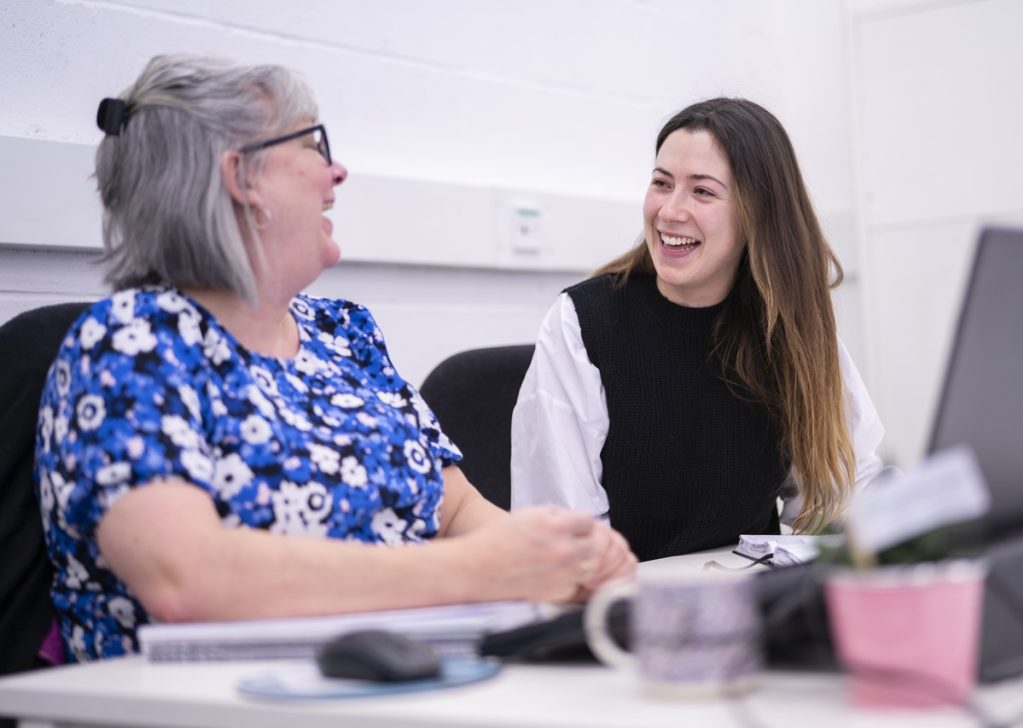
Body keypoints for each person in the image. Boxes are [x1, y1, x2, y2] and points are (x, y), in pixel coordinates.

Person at [34, 54, 636, 662]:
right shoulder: (132, 345)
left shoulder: (342, 333)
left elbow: (457, 513)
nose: (336, 172)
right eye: (313, 143)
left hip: (403, 676)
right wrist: (474, 571)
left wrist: (565, 556)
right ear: (242, 178)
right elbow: (185, 580)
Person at [510, 98, 885, 562]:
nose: (670, 211)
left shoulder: (790, 327)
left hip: (753, 604)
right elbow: (564, 538)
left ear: (758, 214)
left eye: (702, 192)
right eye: (661, 184)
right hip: (624, 610)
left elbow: (840, 491)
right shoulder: (583, 325)